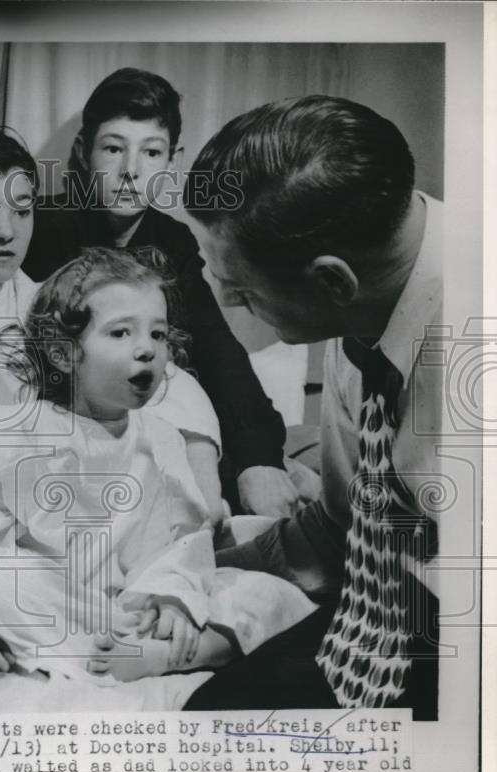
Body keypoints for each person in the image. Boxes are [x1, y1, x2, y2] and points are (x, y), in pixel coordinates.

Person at [0, 247, 316, 683]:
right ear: (63, 353)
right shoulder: (13, 431)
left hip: (140, 602)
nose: (147, 350)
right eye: (120, 334)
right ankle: (114, 656)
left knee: (265, 591)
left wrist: (173, 598)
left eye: (157, 335)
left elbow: (182, 541)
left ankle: (172, 652)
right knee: (5, 584)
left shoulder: (161, 437)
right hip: (61, 601)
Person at [180, 95, 442, 718]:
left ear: (330, 281)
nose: (224, 303)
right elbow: (343, 529)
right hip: (370, 620)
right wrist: (190, 571)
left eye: (241, 292)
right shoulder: (361, 309)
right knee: (202, 727)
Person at [0, 115, 228, 526]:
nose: (5, 232)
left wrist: (204, 478)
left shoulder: (47, 301)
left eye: (22, 211)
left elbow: (168, 384)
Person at [23, 67, 298, 518]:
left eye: (151, 152)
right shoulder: (41, 229)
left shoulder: (172, 241)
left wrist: (258, 460)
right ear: (83, 152)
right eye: (113, 149)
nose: (131, 171)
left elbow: (218, 353)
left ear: (173, 159)